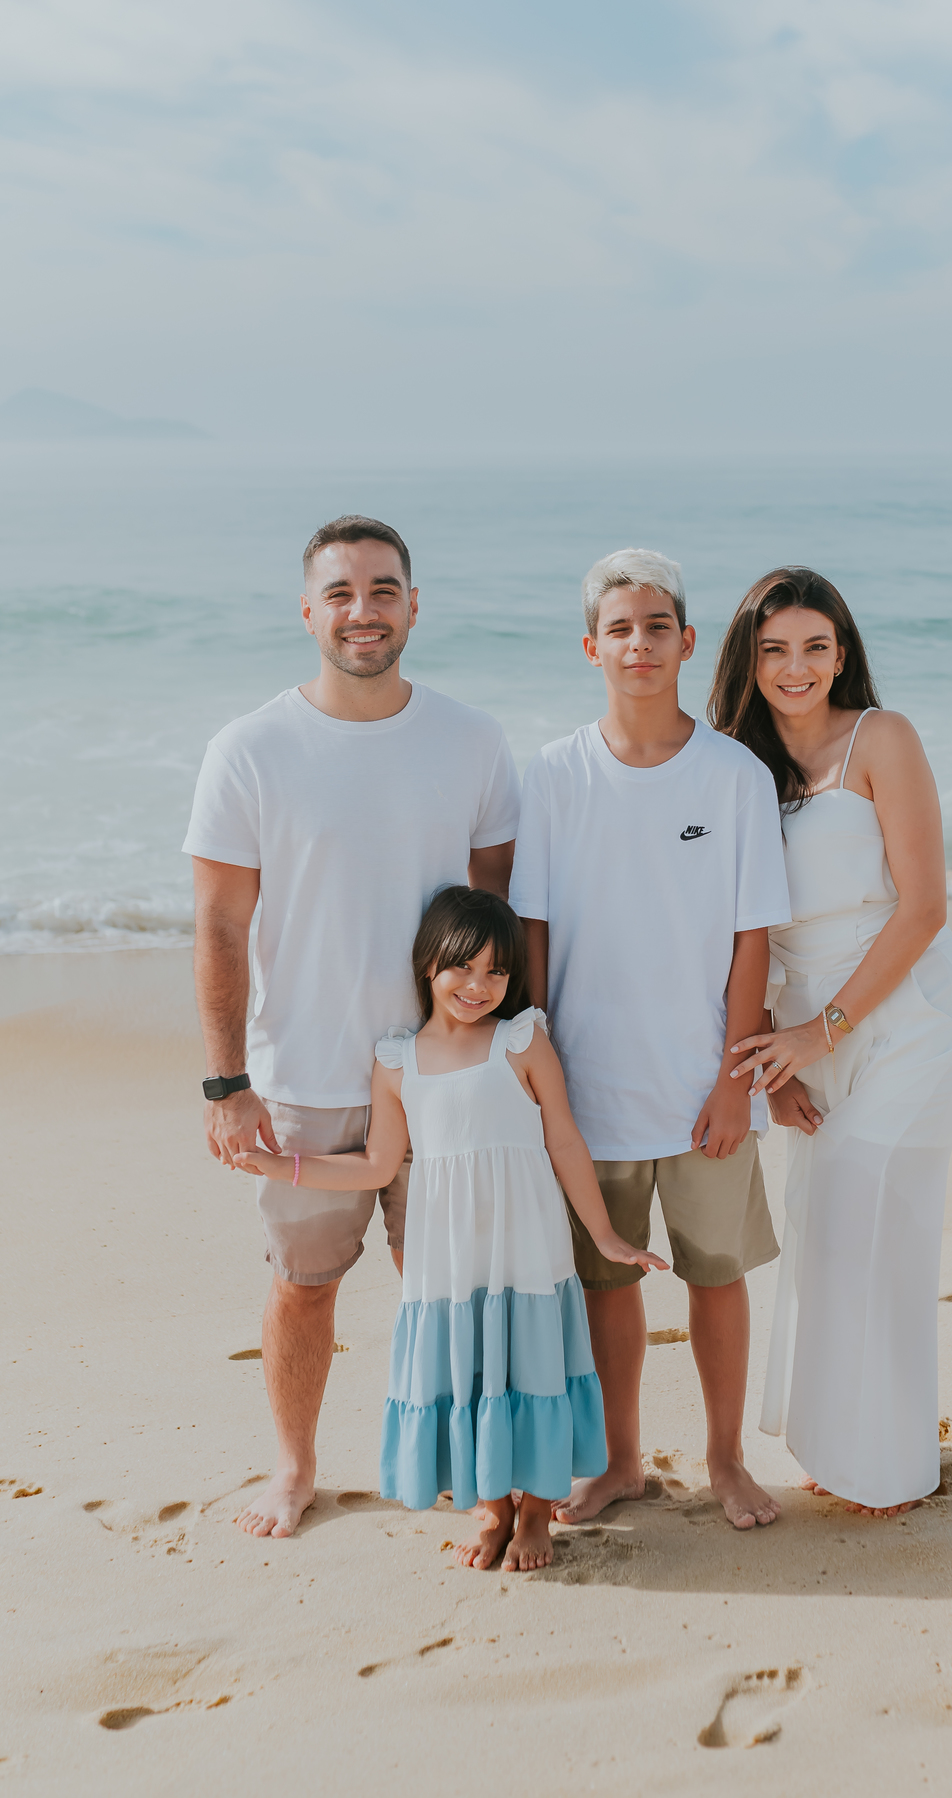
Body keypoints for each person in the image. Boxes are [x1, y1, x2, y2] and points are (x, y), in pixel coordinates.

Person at [182, 515, 521, 1540]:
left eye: (382, 590)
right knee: (304, 1288)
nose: (362, 610)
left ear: (414, 606)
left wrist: (507, 1060)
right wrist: (226, 1084)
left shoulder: (473, 740)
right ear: (308, 612)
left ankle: (471, 1466)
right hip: (305, 1078)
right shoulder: (249, 749)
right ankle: (293, 1467)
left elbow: (499, 917)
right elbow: (220, 925)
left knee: (451, 1289)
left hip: (442, 1077)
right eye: (340, 592)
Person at [235, 886, 665, 1570]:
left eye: (496, 971)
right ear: (427, 963)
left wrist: (606, 1236)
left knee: (533, 1370)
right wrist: (280, 1165)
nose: (478, 985)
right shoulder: (397, 1060)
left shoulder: (522, 1040)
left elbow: (564, 1141)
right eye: (463, 966)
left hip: (527, 1249)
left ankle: (535, 1516)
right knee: (470, 1374)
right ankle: (494, 1510)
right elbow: (376, 1166)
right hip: (450, 1258)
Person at [510, 548, 793, 1531]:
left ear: (686, 642)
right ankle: (622, 1461)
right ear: (592, 647)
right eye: (619, 628)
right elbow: (534, 933)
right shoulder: (553, 774)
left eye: (657, 626)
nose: (639, 643)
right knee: (607, 1280)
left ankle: (725, 1460)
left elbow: (753, 938)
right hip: (590, 1089)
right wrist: (543, 1078)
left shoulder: (735, 775)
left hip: (704, 1085)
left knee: (718, 1277)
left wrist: (733, 1082)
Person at [709, 567, 952, 1517]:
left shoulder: (881, 737)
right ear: (748, 659)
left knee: (872, 1212)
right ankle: (834, 1444)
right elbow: (738, 931)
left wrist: (822, 1033)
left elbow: (926, 907)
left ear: (842, 652)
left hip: (909, 1014)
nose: (797, 667)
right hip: (803, 1029)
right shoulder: (733, 766)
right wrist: (774, 1062)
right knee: (826, 1229)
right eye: (775, 649)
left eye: (816, 647)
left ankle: (890, 1464)